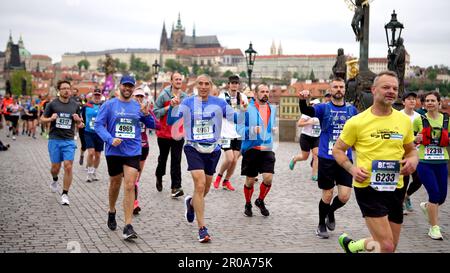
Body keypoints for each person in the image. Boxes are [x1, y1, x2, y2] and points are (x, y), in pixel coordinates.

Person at [333, 71, 418, 253]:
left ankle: (355, 246)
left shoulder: (403, 120)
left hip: (397, 187)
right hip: (368, 187)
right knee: (386, 246)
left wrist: (413, 161)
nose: (391, 91)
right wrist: (352, 169)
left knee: (390, 246)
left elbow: (411, 150)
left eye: (395, 88)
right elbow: (338, 150)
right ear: (373, 90)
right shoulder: (356, 122)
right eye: (386, 87)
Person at [167, 74, 246, 243]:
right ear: (196, 85)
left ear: (210, 85)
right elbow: (171, 122)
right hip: (193, 147)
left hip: (212, 149)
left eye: (206, 84)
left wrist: (243, 110)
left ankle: (191, 204)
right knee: (200, 184)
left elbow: (237, 119)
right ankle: (202, 229)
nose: (203, 86)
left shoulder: (218, 103)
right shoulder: (188, 102)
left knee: (205, 190)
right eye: (200, 84)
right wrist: (172, 107)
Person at [95, 75, 158, 240]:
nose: (128, 89)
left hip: (132, 151)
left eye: (131, 86)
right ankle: (111, 210)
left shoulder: (138, 107)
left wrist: (147, 115)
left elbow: (154, 125)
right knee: (115, 183)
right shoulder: (109, 105)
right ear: (120, 86)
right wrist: (109, 139)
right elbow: (98, 125)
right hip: (114, 151)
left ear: (133, 88)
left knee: (130, 185)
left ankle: (128, 225)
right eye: (125, 86)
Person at [298, 77, 358, 239]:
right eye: (335, 87)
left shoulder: (352, 111)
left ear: (345, 90)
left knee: (344, 196)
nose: (338, 89)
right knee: (327, 194)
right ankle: (321, 224)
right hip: (326, 157)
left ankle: (330, 212)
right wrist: (303, 100)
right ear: (330, 90)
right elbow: (307, 112)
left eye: (341, 87)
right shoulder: (323, 108)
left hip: (345, 160)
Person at [41, 80, 85, 205]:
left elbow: (82, 124)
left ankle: (65, 194)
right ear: (59, 90)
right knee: (55, 168)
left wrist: (78, 121)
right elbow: (42, 119)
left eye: (68, 88)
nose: (66, 90)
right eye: (64, 88)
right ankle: (55, 179)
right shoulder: (52, 104)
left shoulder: (75, 105)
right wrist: (50, 118)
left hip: (69, 140)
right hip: (55, 139)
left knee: (68, 166)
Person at [413, 91, 448, 240]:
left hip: (441, 161)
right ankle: (434, 228)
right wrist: (416, 138)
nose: (429, 103)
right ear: (423, 104)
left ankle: (427, 206)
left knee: (442, 198)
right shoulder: (418, 120)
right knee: (434, 194)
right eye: (427, 101)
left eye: (433, 100)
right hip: (424, 162)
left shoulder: (446, 119)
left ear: (439, 103)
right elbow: (410, 140)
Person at [239, 84, 277, 218]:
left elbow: (270, 126)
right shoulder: (246, 109)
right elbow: (239, 130)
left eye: (267, 91)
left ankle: (260, 200)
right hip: (251, 149)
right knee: (250, 180)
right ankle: (248, 203)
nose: (265, 94)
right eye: (262, 91)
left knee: (268, 178)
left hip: (267, 148)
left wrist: (272, 130)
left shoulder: (272, 109)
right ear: (256, 94)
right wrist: (252, 131)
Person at [153, 72, 188, 197]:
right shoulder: (164, 95)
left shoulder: (185, 97)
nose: (178, 81)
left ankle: (176, 187)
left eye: (180, 79)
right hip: (164, 134)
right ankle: (159, 174)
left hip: (178, 134)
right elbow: (155, 112)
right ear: (171, 81)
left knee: (176, 160)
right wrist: (168, 108)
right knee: (163, 158)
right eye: (176, 79)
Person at [214, 75, 248, 191]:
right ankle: (219, 176)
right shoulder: (222, 97)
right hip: (225, 133)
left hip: (238, 133)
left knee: (234, 159)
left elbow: (245, 113)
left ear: (239, 85)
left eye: (236, 83)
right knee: (229, 158)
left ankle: (226, 181)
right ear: (229, 84)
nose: (234, 85)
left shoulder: (242, 97)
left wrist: (244, 110)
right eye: (232, 82)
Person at [132, 87, 153, 215]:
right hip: (129, 148)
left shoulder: (147, 110)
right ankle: (134, 202)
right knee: (132, 177)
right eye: (137, 96)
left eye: (141, 96)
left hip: (143, 147)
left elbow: (156, 125)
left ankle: (132, 194)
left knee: (137, 177)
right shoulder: (127, 110)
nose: (139, 99)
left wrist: (146, 114)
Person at [399, 91, 422, 214]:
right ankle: (401, 203)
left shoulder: (419, 117)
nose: (412, 101)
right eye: (409, 99)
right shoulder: (398, 115)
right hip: (402, 152)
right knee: (405, 179)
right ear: (403, 102)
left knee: (419, 179)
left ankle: (406, 196)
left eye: (414, 99)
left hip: (416, 152)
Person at [289, 98, 321, 181]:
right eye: (314, 105)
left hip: (316, 137)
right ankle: (294, 159)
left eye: (317, 105)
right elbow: (299, 124)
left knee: (316, 155)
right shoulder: (307, 113)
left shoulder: (321, 114)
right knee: (305, 157)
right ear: (311, 105)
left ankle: (314, 175)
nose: (316, 106)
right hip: (306, 137)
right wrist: (309, 122)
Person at [81, 88, 104, 182]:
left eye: (99, 95)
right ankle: (89, 173)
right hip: (88, 132)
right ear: (92, 96)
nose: (97, 97)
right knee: (91, 153)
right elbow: (81, 117)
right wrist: (80, 123)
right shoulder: (86, 106)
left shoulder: (103, 106)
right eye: (95, 95)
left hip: (100, 133)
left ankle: (94, 172)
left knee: (98, 155)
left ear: (101, 96)